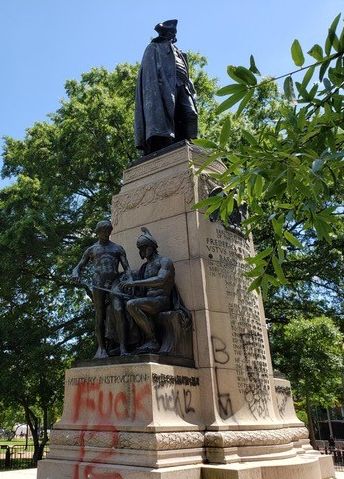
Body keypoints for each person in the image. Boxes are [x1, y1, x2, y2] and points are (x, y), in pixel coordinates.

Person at [135, 19, 198, 155]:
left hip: (183, 85)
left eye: (172, 32)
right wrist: (158, 90)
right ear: (163, 33)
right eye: (169, 32)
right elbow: (149, 74)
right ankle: (166, 144)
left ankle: (190, 146)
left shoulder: (179, 52)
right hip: (164, 87)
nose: (171, 34)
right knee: (167, 115)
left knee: (191, 114)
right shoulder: (153, 48)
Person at [72, 220, 132, 358]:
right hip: (98, 282)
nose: (106, 234)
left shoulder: (117, 248)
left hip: (114, 281)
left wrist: (130, 279)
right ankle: (101, 348)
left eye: (108, 231)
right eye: (103, 231)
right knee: (100, 314)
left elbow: (127, 268)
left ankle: (123, 348)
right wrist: (75, 273)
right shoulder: (92, 249)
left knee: (119, 309)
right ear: (98, 232)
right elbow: (79, 266)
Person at [119, 227, 175, 353]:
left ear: (152, 247)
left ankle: (152, 340)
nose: (143, 251)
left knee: (132, 304)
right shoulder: (145, 266)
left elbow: (161, 279)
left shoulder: (165, 261)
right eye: (141, 249)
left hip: (162, 300)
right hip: (149, 300)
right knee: (124, 303)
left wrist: (134, 283)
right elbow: (140, 289)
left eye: (145, 248)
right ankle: (129, 343)